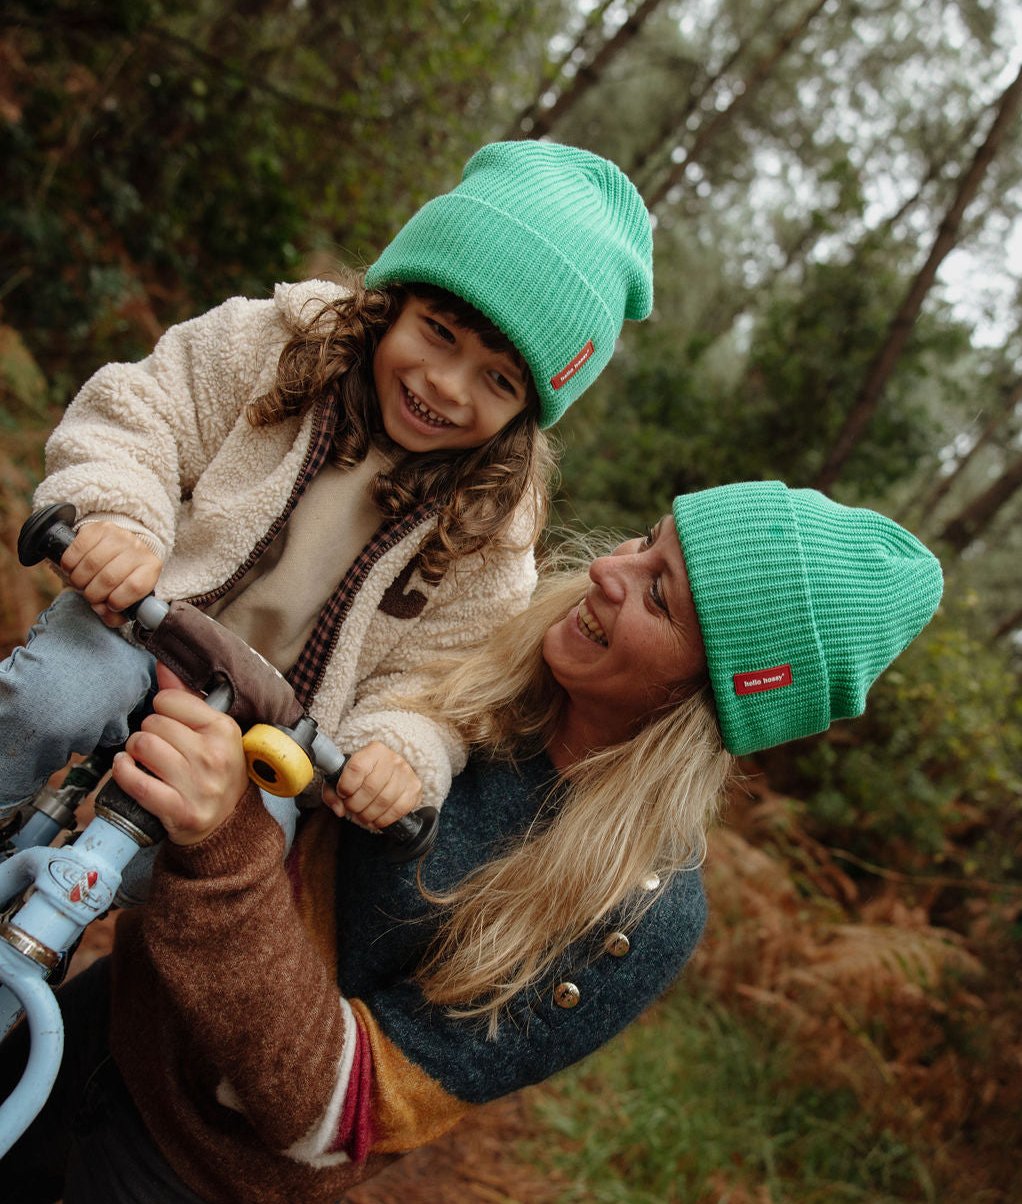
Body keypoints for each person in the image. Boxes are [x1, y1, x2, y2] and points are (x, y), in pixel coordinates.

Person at [0, 481, 943, 1204]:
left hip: (192, 1173)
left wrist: (226, 841)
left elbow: (338, 1113)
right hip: (111, 1014)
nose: (611, 570)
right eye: (648, 541)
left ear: (704, 701)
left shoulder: (635, 912)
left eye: (659, 598)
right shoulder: (476, 654)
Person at [0, 139, 654, 833]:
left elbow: (442, 683)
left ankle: (97, 933)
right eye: (438, 332)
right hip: (137, 621)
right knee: (51, 697)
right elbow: (144, 412)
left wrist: (398, 750)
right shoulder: (274, 347)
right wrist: (120, 522)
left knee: (216, 860)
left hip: (271, 738)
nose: (446, 384)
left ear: (525, 412)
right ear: (393, 301)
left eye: (498, 380)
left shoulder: (491, 541)